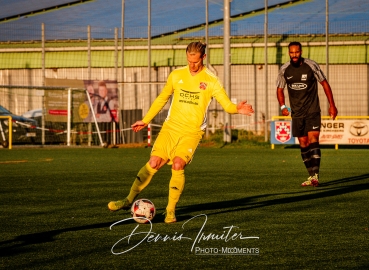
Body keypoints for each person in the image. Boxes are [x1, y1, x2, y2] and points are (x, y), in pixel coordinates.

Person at [108, 41, 254, 223]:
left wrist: (236, 109)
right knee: (153, 162)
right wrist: (146, 120)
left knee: (178, 164)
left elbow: (227, 105)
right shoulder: (177, 75)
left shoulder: (212, 80)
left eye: (196, 61)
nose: (192, 65)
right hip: (171, 128)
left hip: (192, 132)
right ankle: (128, 199)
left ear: (204, 58)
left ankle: (170, 211)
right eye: (189, 60)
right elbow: (163, 97)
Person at [276, 41, 338, 187]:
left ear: (301, 51)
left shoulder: (311, 65)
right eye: (292, 53)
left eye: (297, 52)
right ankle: (311, 176)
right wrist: (283, 106)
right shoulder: (284, 69)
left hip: (312, 110)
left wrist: (332, 105)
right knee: (303, 143)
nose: (294, 55)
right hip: (297, 113)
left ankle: (316, 175)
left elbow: (324, 84)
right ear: (289, 53)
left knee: (313, 138)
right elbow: (279, 89)